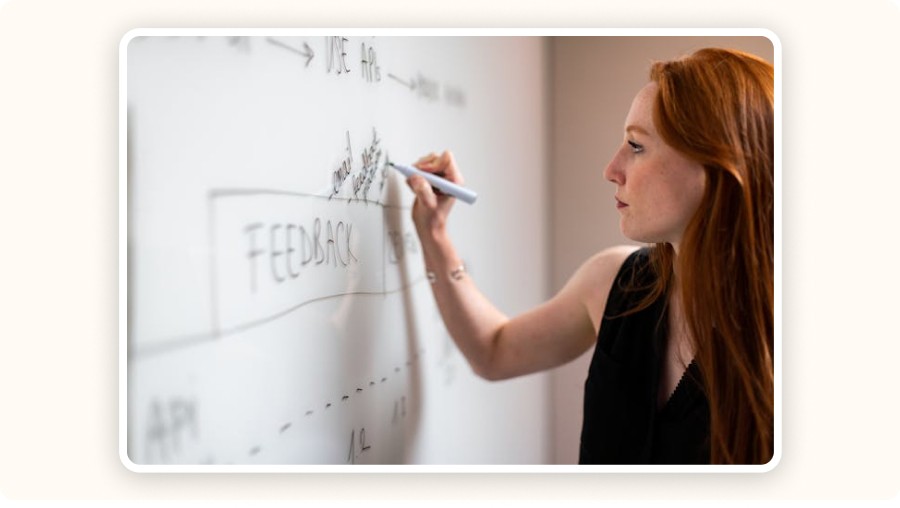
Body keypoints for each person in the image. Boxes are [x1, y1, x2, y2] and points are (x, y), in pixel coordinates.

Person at [404, 48, 774, 465]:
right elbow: (493, 351)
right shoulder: (616, 282)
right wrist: (435, 234)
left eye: (636, 145)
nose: (611, 169)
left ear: (716, 167)